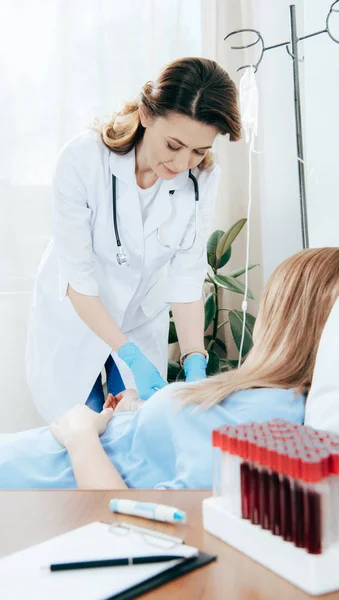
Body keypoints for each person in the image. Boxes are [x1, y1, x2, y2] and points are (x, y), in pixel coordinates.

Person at [0, 248, 339, 490]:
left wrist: (80, 432)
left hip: (32, 478)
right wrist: (139, 413)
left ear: (286, 322)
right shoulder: (269, 400)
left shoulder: (270, 415)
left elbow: (124, 518)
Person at [25, 57, 241, 424]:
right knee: (80, 432)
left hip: (139, 319)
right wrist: (128, 355)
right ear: (145, 114)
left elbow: (187, 278)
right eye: (174, 144)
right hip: (76, 318)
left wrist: (194, 361)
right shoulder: (82, 161)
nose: (183, 162)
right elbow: (78, 278)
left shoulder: (201, 181)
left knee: (135, 435)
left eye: (199, 150)